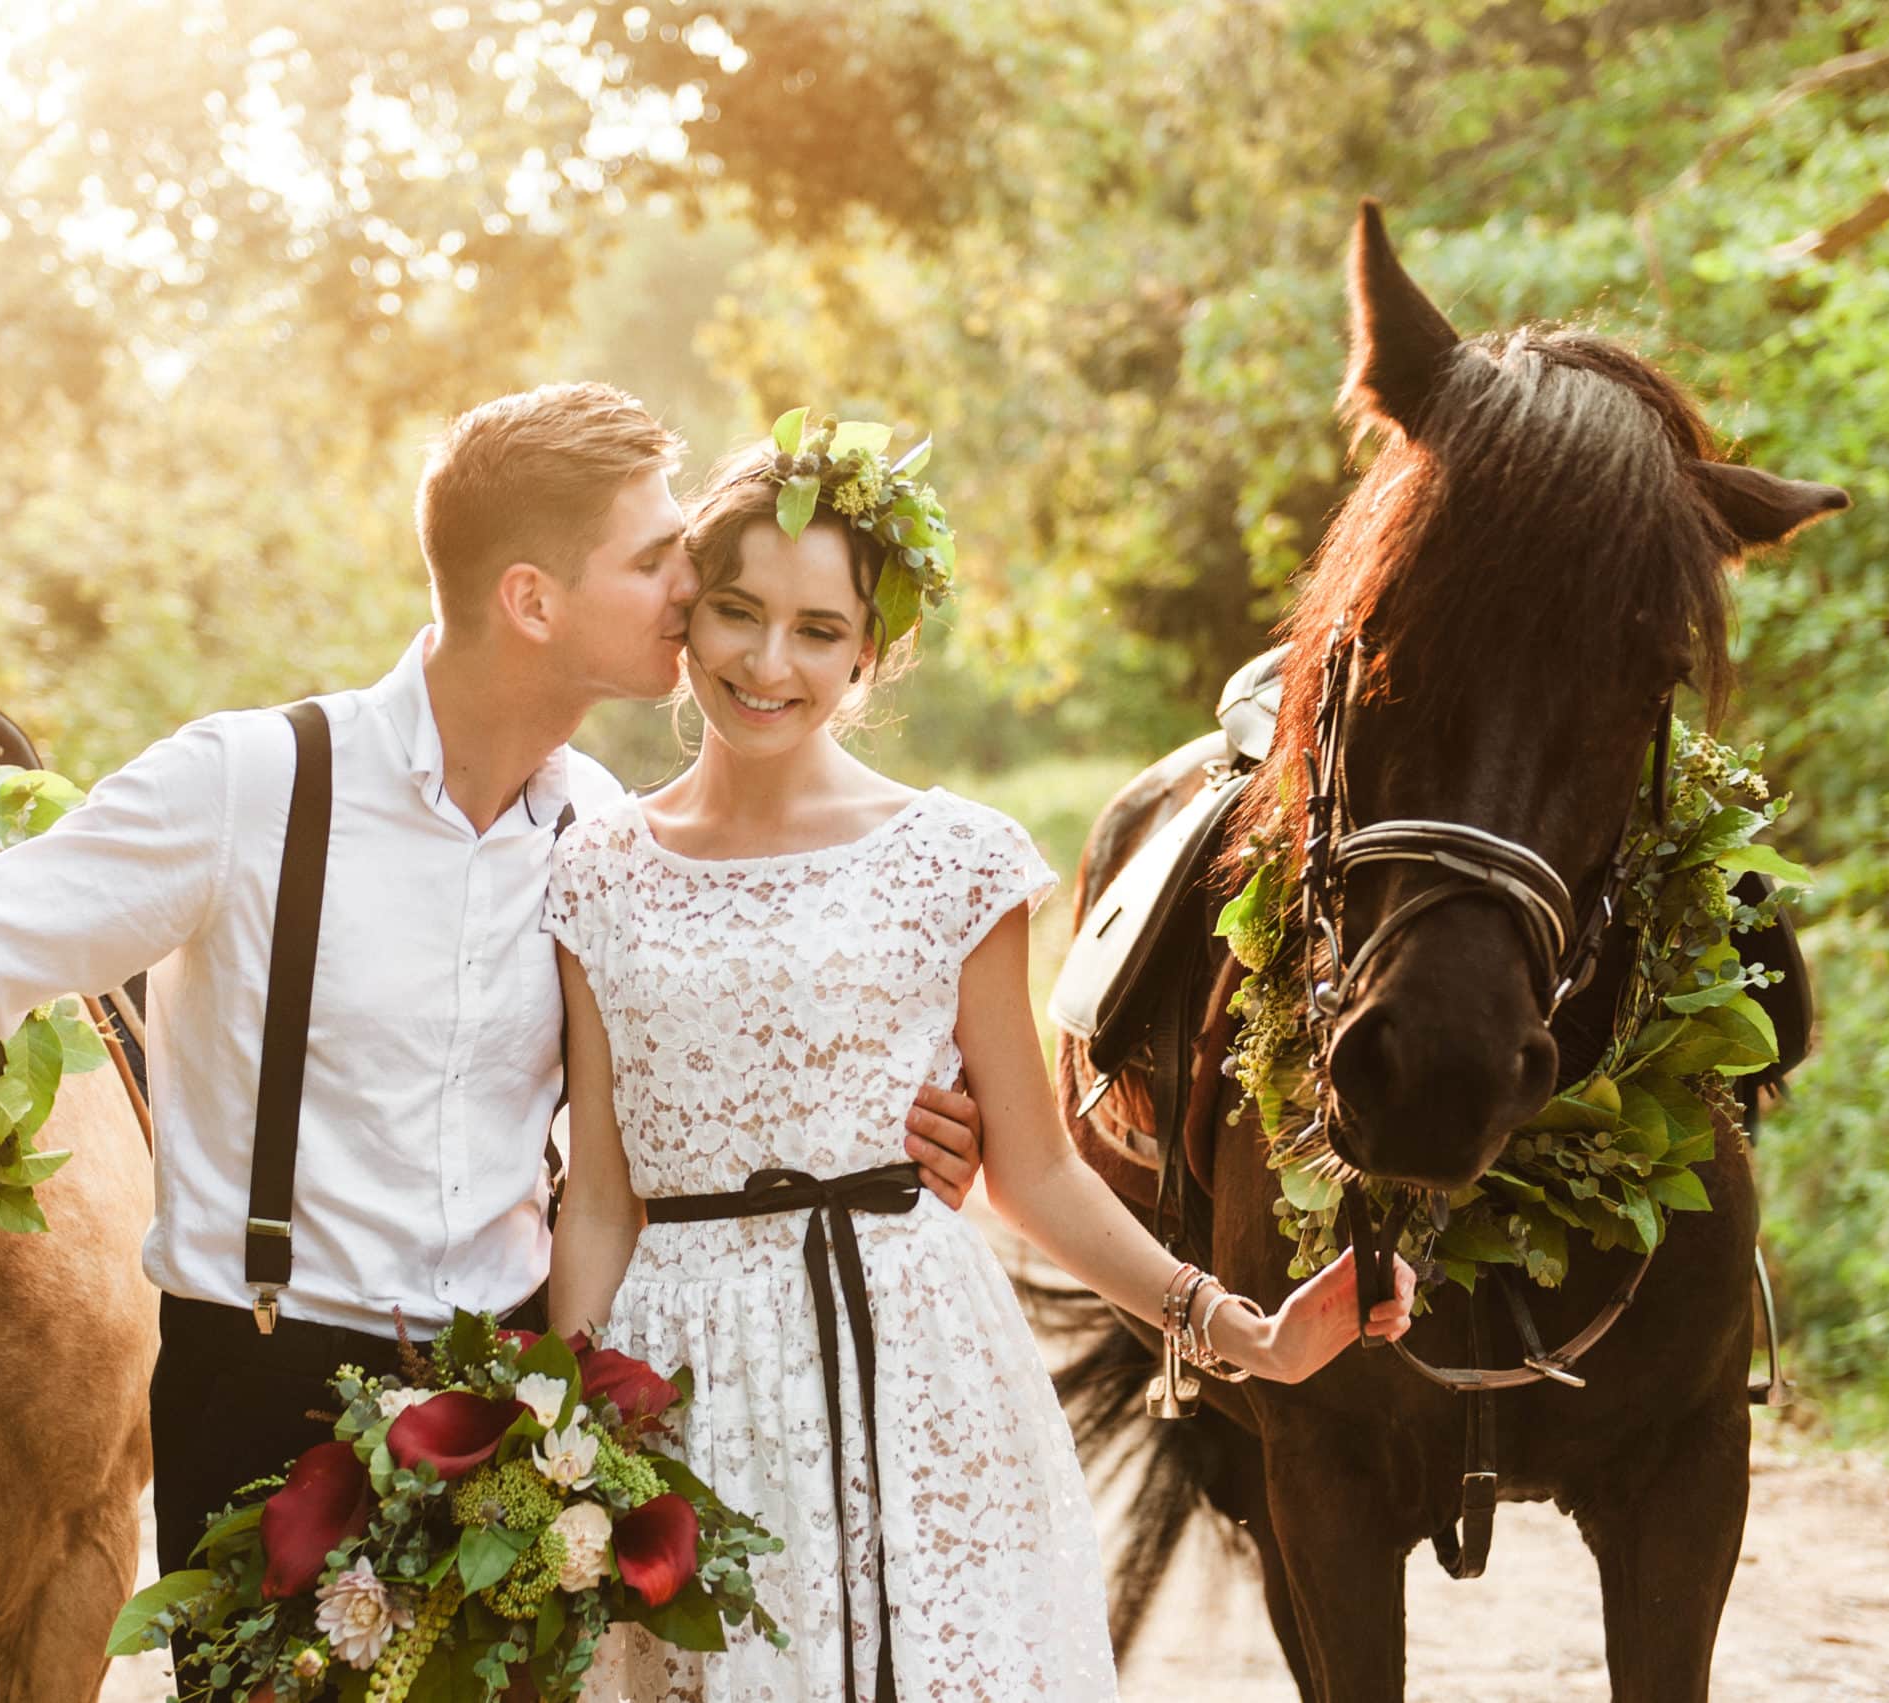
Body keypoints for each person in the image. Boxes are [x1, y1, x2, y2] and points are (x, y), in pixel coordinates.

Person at [0, 383, 989, 1694]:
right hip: (268, 1383)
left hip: (515, 1400)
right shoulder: (248, 785)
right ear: (532, 598)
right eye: (660, 558)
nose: (692, 590)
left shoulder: (602, 835)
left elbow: (712, 1082)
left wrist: (919, 1122)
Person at [543, 419, 1415, 1701]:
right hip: (687, 1380)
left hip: (921, 1365)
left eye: (819, 629)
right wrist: (565, 1439)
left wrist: (1240, 1331)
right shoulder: (596, 869)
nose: (768, 660)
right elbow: (601, 1194)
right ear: (686, 618)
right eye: (737, 612)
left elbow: (1037, 1167)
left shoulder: (953, 860)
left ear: (871, 650)